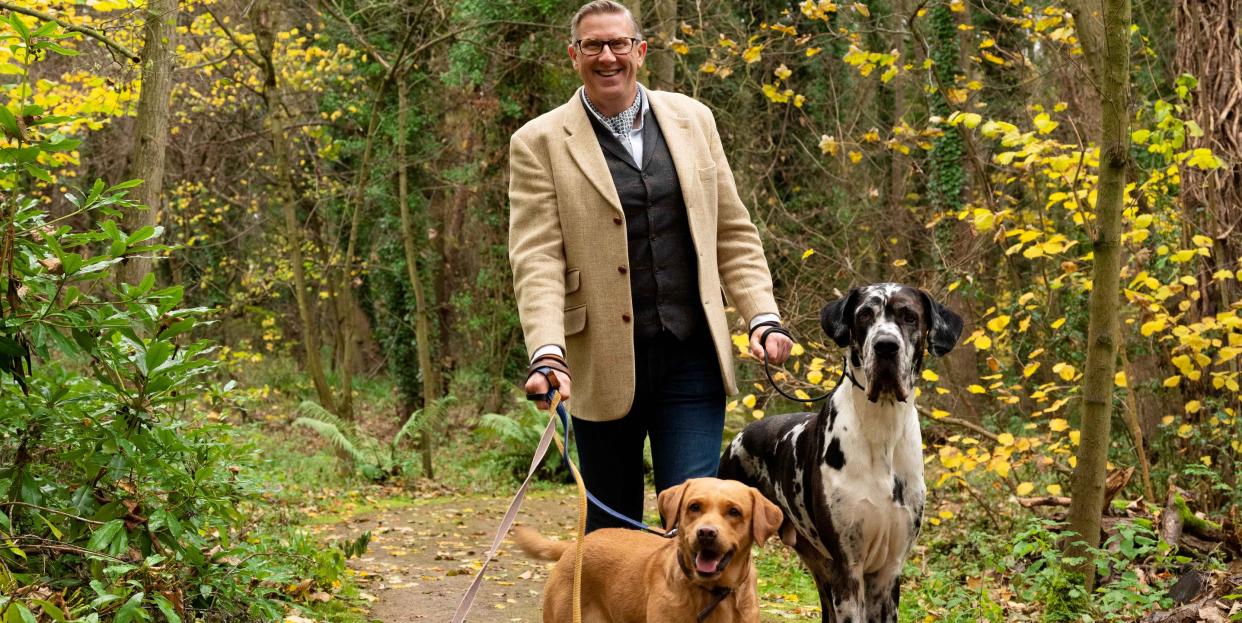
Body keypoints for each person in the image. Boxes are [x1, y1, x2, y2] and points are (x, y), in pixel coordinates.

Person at [507, 0, 793, 532]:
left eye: (618, 43)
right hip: (600, 363)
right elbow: (537, 256)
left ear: (640, 50)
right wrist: (548, 351)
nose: (607, 55)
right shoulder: (538, 142)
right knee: (612, 535)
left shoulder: (694, 119)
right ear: (574, 55)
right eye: (592, 45)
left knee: (691, 523)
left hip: (692, 356)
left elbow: (731, 229)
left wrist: (762, 315)